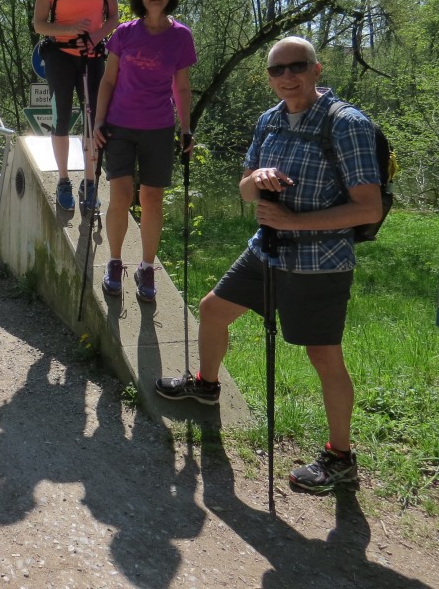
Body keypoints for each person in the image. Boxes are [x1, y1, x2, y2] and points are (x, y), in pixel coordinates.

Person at [155, 36, 382, 493]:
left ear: (316, 70)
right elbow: (245, 189)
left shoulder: (347, 124)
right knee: (213, 309)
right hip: (267, 248)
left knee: (323, 357)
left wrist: (295, 221)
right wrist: (255, 179)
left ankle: (340, 458)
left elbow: (368, 208)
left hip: (319, 262)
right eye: (277, 70)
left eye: (296, 66)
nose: (287, 77)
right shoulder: (270, 120)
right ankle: (206, 385)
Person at [92, 0, 195, 302]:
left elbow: (182, 87)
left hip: (159, 128)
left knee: (152, 199)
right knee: (120, 195)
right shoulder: (124, 33)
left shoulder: (181, 37)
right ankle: (114, 262)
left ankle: (147, 267)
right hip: (119, 125)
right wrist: (98, 122)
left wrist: (186, 128)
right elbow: (108, 80)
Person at [32, 0, 119, 212]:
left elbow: (113, 17)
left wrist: (95, 36)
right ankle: (64, 181)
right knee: (61, 118)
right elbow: (39, 24)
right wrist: (70, 29)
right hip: (60, 54)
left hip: (92, 54)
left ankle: (90, 182)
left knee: (94, 119)